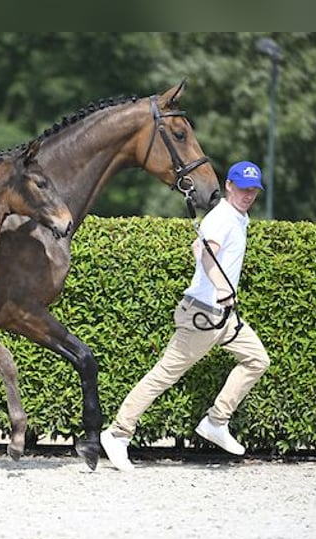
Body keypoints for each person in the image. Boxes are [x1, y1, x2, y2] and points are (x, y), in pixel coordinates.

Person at [100, 160, 271, 471]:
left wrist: (208, 262)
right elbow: (206, 254)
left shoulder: (236, 217)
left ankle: (216, 422)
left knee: (257, 359)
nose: (249, 195)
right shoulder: (222, 218)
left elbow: (198, 247)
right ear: (229, 186)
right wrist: (220, 286)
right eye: (244, 189)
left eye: (254, 190)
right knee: (164, 374)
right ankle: (117, 433)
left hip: (224, 316)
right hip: (203, 315)